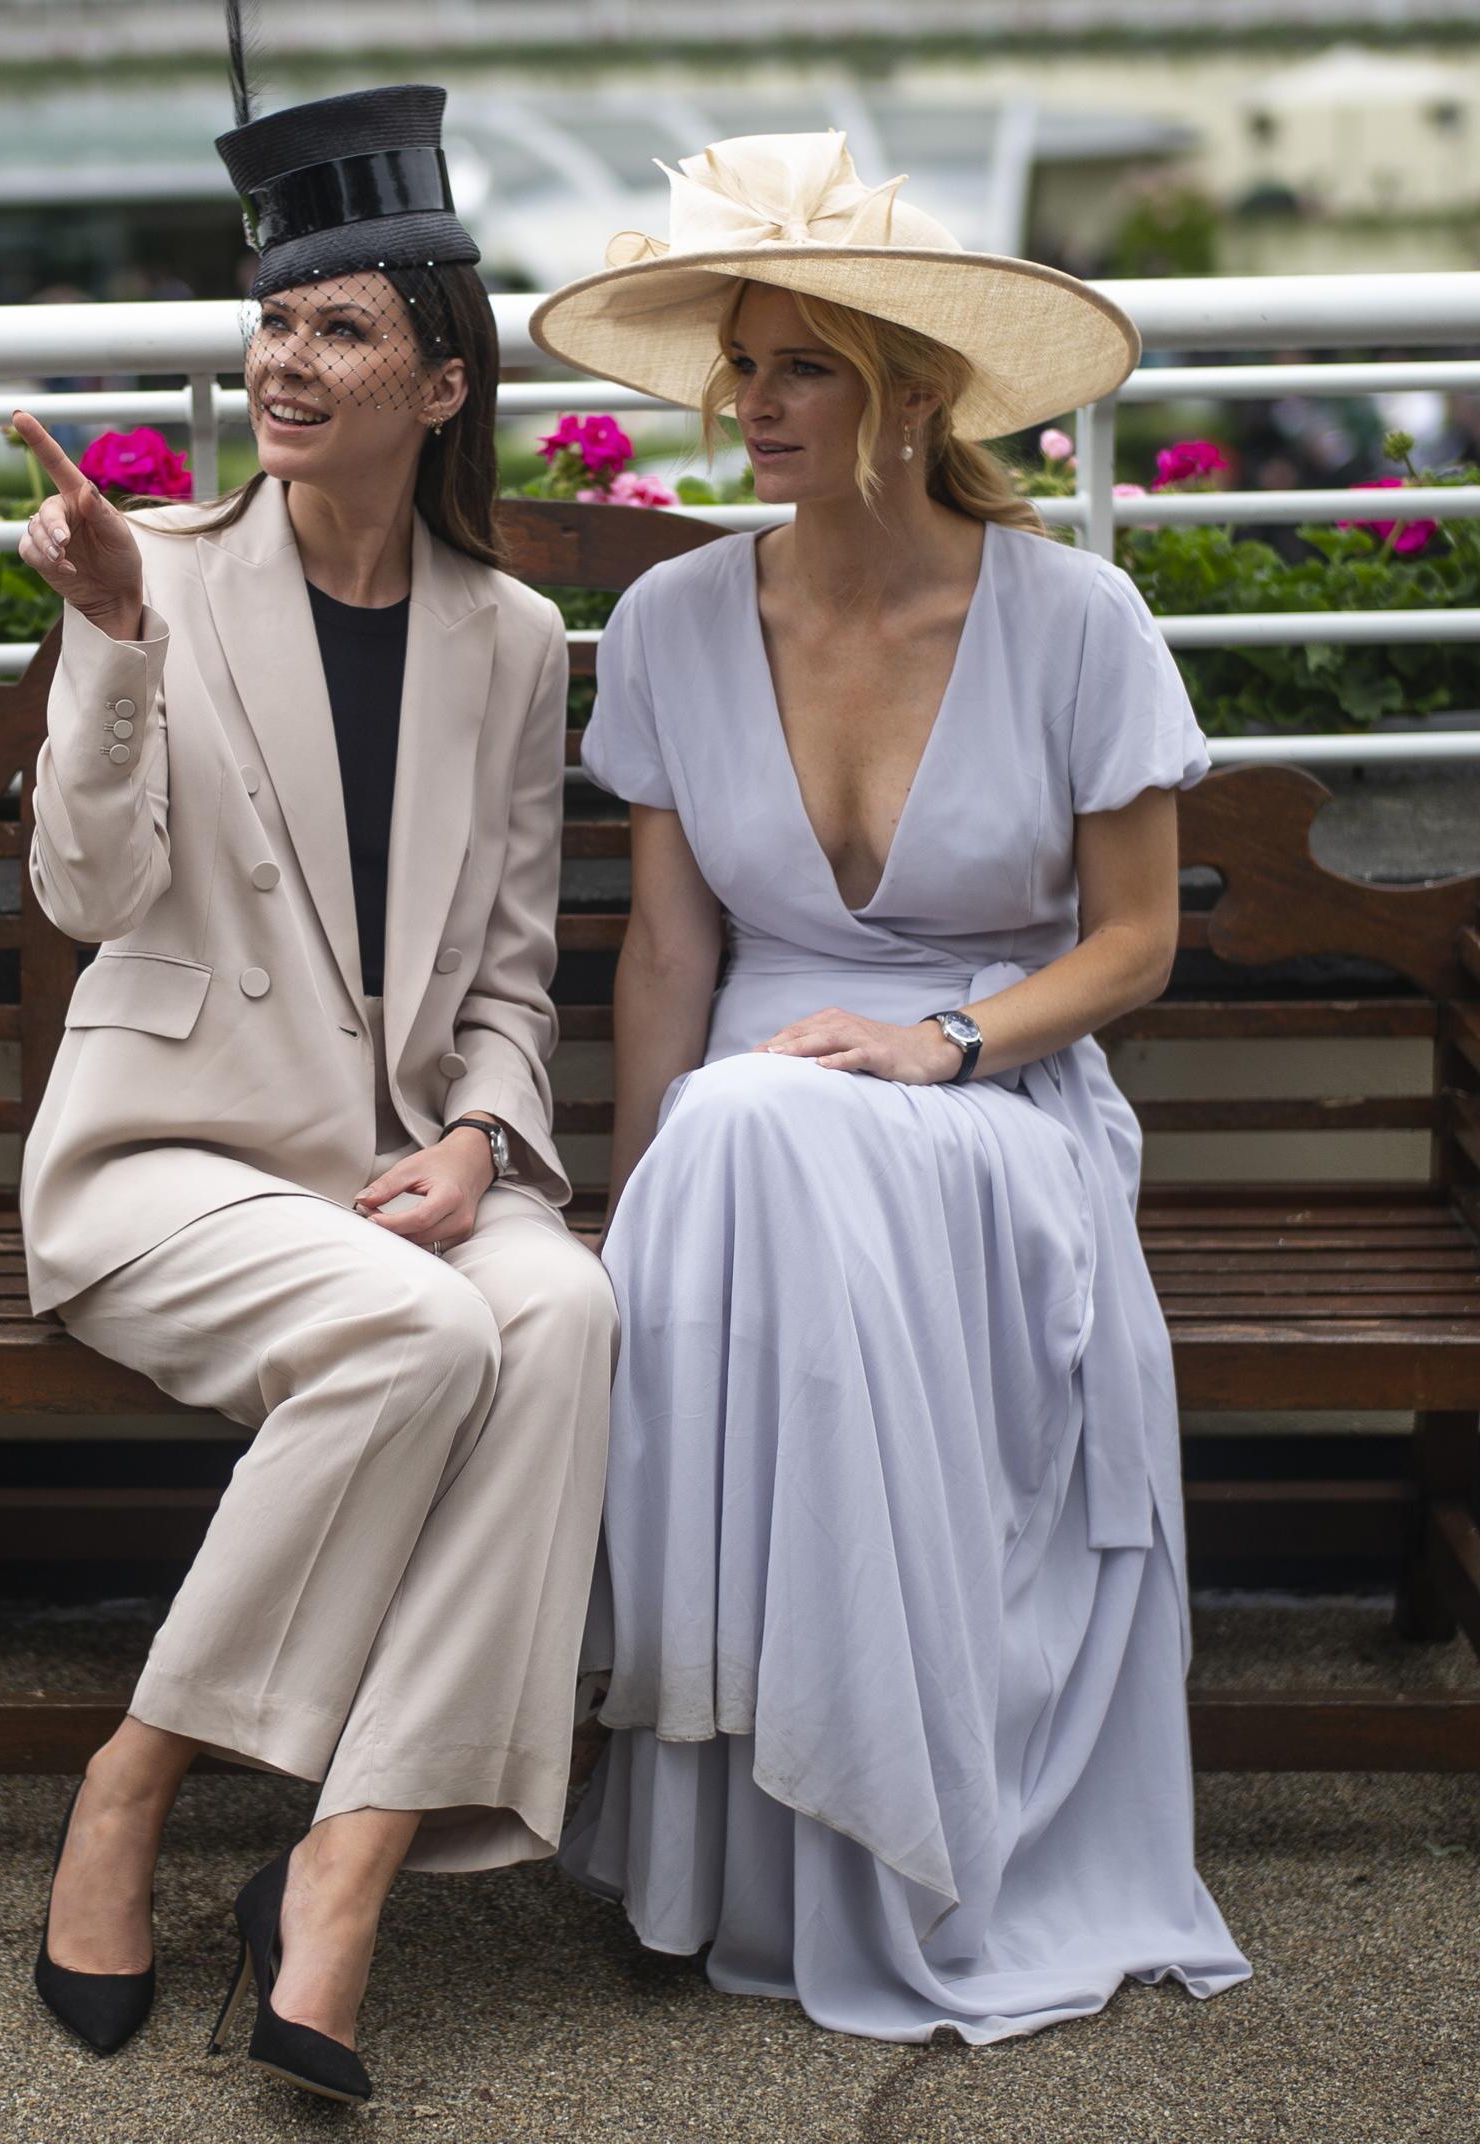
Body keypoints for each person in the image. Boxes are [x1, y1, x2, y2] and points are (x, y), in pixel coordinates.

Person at [529, 131, 1252, 2041]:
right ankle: (785, 1824)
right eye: (740, 366)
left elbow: (1133, 948)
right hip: (744, 1147)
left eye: (803, 367)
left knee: (765, 1120)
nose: (750, 405)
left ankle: (855, 1823)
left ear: (914, 392)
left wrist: (935, 1044)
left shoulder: (1074, 617)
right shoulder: (681, 621)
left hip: (994, 1106)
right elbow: (668, 953)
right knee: (741, 1130)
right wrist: (622, 1213)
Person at [13, 78, 614, 2107]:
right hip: (165, 1163)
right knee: (422, 1329)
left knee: (561, 1311)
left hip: (400, 1170)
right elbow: (85, 890)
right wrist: (102, 643)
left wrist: (473, 1139)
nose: (285, 360)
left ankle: (342, 1864)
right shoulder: (155, 574)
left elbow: (514, 967)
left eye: (340, 328)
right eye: (271, 324)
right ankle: (140, 1774)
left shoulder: (513, 638)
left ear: (442, 383)